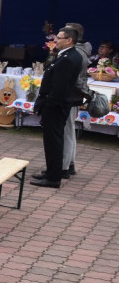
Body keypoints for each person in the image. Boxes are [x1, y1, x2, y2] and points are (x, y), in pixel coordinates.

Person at [32, 25, 84, 188]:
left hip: (56, 105)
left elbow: (60, 86)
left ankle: (54, 177)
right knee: (51, 140)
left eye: (59, 38)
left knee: (54, 140)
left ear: (69, 40)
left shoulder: (69, 58)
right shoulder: (65, 55)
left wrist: (49, 104)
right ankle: (51, 171)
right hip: (56, 104)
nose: (56, 40)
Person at [64, 23, 91, 177]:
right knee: (69, 130)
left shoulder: (77, 54)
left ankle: (64, 166)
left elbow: (74, 79)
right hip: (73, 95)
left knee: (65, 132)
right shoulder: (80, 52)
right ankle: (70, 163)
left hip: (70, 95)